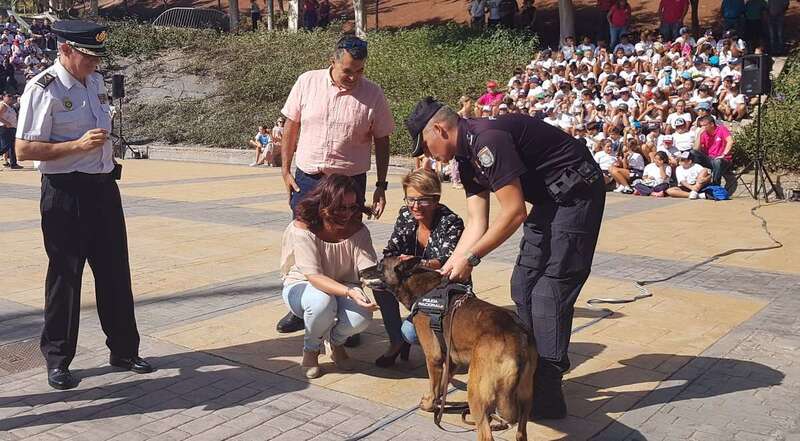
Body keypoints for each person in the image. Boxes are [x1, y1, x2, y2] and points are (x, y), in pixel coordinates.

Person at [405, 97, 605, 419]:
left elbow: (513, 213)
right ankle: (523, 372)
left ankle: (547, 390)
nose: (427, 155)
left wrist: (470, 258)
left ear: (440, 129)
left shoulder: (486, 140)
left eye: (425, 146)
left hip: (576, 195)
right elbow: (477, 222)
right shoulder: (466, 158)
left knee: (549, 294)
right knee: (523, 284)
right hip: (548, 200)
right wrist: (449, 268)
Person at [15, 20, 152, 391]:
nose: (95, 64)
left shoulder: (93, 81)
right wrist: (75, 146)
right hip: (65, 193)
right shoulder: (43, 88)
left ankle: (124, 350)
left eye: (97, 58)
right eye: (88, 57)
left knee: (114, 272)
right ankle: (58, 360)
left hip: (104, 189)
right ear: (65, 51)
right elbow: (23, 149)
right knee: (65, 277)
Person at [278, 35, 394, 341]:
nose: (354, 77)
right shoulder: (307, 82)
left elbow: (382, 140)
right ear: (333, 61)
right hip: (309, 178)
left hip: (350, 181)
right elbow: (291, 125)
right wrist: (285, 169)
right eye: (347, 71)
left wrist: (381, 185)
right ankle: (301, 306)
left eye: (359, 70)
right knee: (303, 234)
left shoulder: (373, 94)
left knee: (347, 238)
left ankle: (346, 306)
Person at [280, 175, 378, 378]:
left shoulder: (358, 230)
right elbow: (314, 277)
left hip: (344, 285)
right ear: (325, 203)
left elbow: (369, 270)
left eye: (353, 207)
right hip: (303, 286)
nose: (348, 213)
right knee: (322, 302)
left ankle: (336, 342)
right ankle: (311, 350)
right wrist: (350, 292)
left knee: (361, 317)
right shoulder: (303, 228)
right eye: (341, 207)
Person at [373, 169, 465, 367]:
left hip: (440, 289)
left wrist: (417, 262)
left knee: (411, 333)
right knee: (380, 283)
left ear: (436, 198)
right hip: (412, 284)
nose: (415, 206)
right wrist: (399, 261)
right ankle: (396, 341)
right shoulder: (405, 215)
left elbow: (444, 261)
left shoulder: (452, 222)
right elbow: (391, 251)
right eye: (410, 199)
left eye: (423, 200)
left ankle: (437, 345)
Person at [694, 115, 734, 190]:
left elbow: (730, 141)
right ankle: (695, 180)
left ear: (712, 124)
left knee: (717, 161)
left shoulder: (721, 129)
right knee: (693, 153)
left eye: (705, 125)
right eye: (701, 126)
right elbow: (696, 149)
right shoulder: (703, 133)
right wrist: (699, 134)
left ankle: (716, 185)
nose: (703, 128)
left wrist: (724, 154)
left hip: (723, 159)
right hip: (709, 159)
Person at [0, 92, 21, 169]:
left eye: (11, 96)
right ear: (4, 97)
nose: (10, 98)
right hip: (5, 128)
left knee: (12, 146)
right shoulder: (3, 105)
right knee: (5, 147)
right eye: (8, 96)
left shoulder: (11, 106)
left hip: (12, 128)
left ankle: (13, 164)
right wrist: (7, 123)